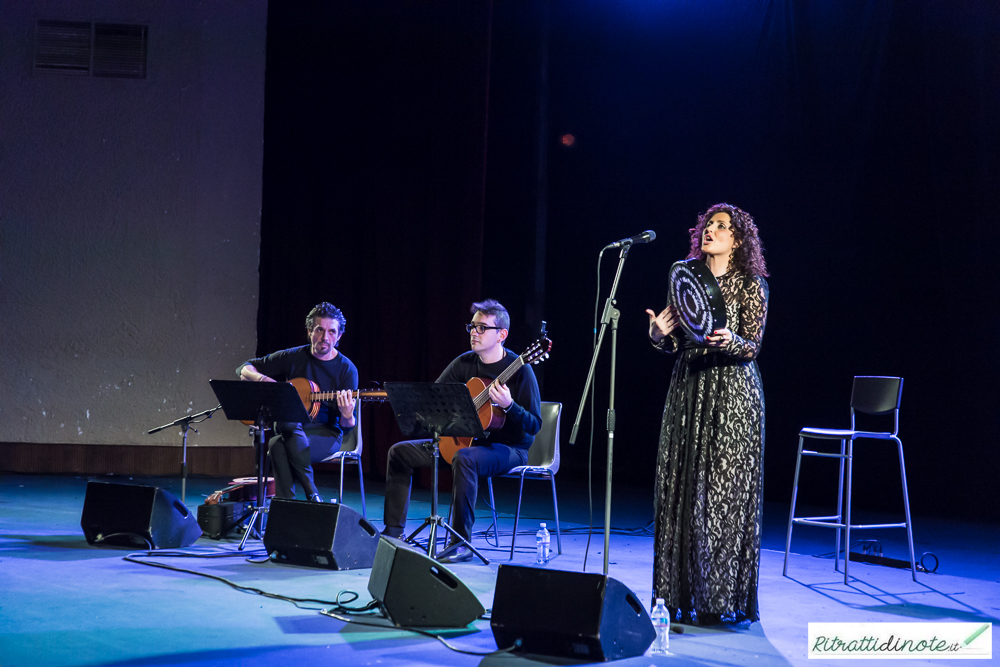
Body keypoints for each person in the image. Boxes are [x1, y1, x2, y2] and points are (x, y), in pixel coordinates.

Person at [645, 203, 769, 625]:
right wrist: (658, 335)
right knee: (679, 489)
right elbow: (677, 343)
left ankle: (719, 600)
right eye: (707, 225)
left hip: (733, 395)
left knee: (721, 496)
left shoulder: (751, 284)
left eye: (721, 227)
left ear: (737, 240)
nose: (710, 231)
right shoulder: (687, 280)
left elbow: (752, 345)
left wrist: (731, 338)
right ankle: (675, 594)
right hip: (690, 388)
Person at [382, 299, 542, 564]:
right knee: (399, 452)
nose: (474, 333)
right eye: (472, 326)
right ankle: (393, 533)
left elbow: (534, 425)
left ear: (502, 334)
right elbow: (433, 399)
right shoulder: (463, 364)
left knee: (465, 458)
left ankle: (460, 542)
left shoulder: (521, 371)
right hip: (460, 442)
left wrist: (509, 406)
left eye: (482, 328)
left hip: (509, 449)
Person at [237, 302, 358, 501]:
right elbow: (244, 367)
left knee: (277, 443)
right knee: (288, 423)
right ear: (309, 331)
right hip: (291, 428)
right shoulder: (293, 356)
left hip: (326, 433)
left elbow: (347, 428)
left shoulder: (347, 369)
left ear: (339, 337)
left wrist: (346, 414)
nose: (325, 337)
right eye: (319, 330)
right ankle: (310, 496)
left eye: (331, 332)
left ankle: (287, 506)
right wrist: (264, 379)